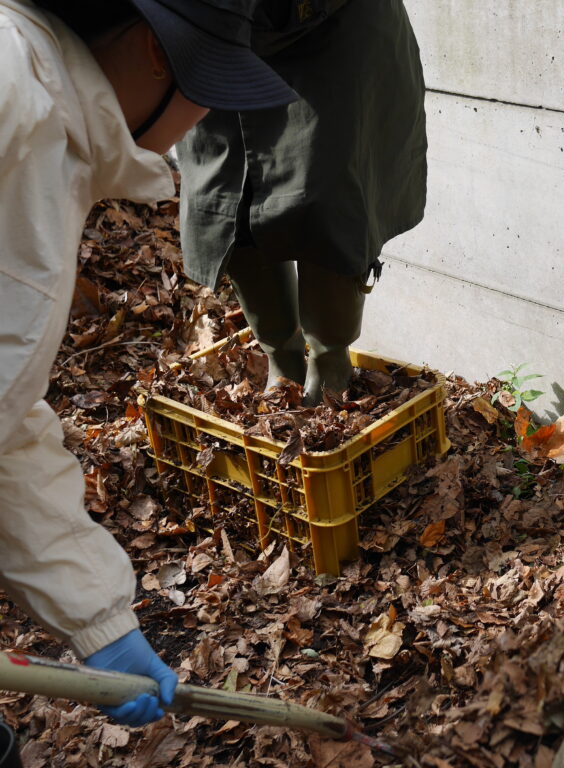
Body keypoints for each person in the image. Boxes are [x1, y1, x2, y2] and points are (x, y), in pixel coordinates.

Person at [0, 0, 296, 739]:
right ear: (156, 54)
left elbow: (4, 421)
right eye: (212, 82)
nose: (203, 113)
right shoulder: (10, 89)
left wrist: (98, 618)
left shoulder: (52, 136)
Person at [175, 0, 428, 406]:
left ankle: (330, 368)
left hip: (334, 24)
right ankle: (282, 362)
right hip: (210, 27)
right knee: (230, 198)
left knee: (330, 199)